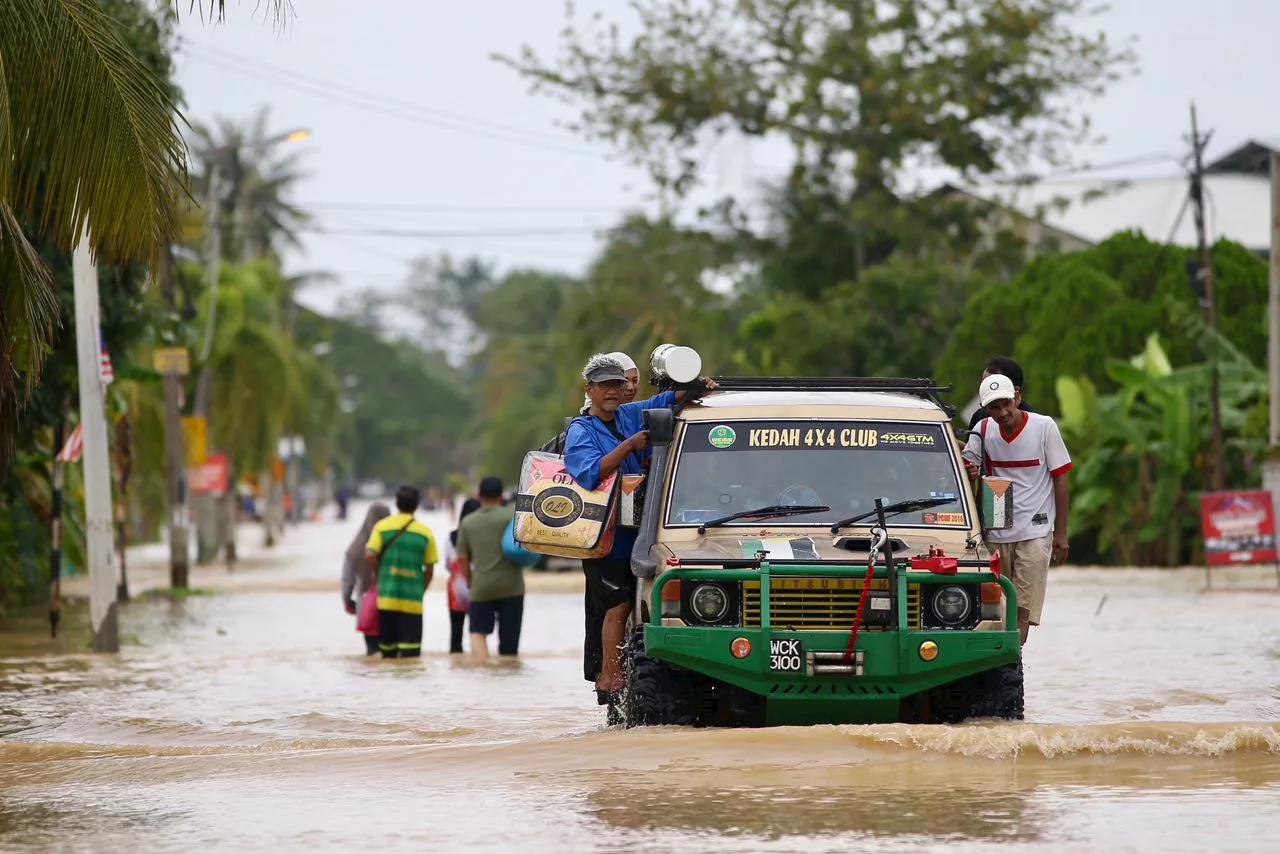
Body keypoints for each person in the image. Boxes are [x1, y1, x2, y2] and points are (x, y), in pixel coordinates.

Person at [564, 353, 717, 700]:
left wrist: (695, 388)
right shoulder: (580, 430)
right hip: (604, 534)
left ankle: (635, 673)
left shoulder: (631, 413)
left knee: (641, 602)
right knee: (616, 604)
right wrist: (629, 446)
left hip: (642, 529)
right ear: (590, 390)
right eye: (605, 386)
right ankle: (609, 678)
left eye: (618, 385)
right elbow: (589, 472)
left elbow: (669, 399)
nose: (614, 392)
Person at [962, 374, 1072, 645]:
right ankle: (1003, 666)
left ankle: (1012, 665)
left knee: (1022, 611)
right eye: (994, 408)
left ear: (1018, 397)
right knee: (996, 609)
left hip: (1036, 531)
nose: (1002, 413)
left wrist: (1061, 534)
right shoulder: (984, 431)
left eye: (1006, 404)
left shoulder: (1044, 427)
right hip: (996, 533)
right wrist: (971, 472)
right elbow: (966, 468)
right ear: (986, 410)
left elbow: (1061, 478)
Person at [364, 485, 439, 659]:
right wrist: (420, 590)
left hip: (387, 600)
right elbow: (430, 569)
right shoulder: (426, 533)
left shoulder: (381, 528)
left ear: (396, 504)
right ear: (417, 505)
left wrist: (380, 573)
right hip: (413, 602)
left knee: (388, 656)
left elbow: (370, 555)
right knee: (411, 658)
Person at [456, 476, 526, 661]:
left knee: (478, 632)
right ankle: (509, 675)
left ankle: (482, 672)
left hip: (481, 585)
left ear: (479, 495)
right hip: (512, 586)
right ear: (501, 496)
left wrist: (470, 580)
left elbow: (462, 557)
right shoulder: (512, 516)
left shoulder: (468, 522)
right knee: (509, 643)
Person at [342, 501, 390, 655]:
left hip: (367, 607)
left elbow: (347, 580)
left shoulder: (355, 547)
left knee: (372, 656)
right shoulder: (393, 542)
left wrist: (348, 600)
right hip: (393, 604)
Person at [444, 497, 482, 654]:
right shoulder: (482, 536)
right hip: (478, 584)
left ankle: (456, 664)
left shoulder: (451, 536)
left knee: (456, 633)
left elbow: (447, 564)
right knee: (478, 632)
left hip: (456, 588)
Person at [967, 356, 1038, 430]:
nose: (1002, 413)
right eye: (985, 384)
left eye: (993, 385)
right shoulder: (980, 419)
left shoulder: (1037, 424)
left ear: (1016, 394)